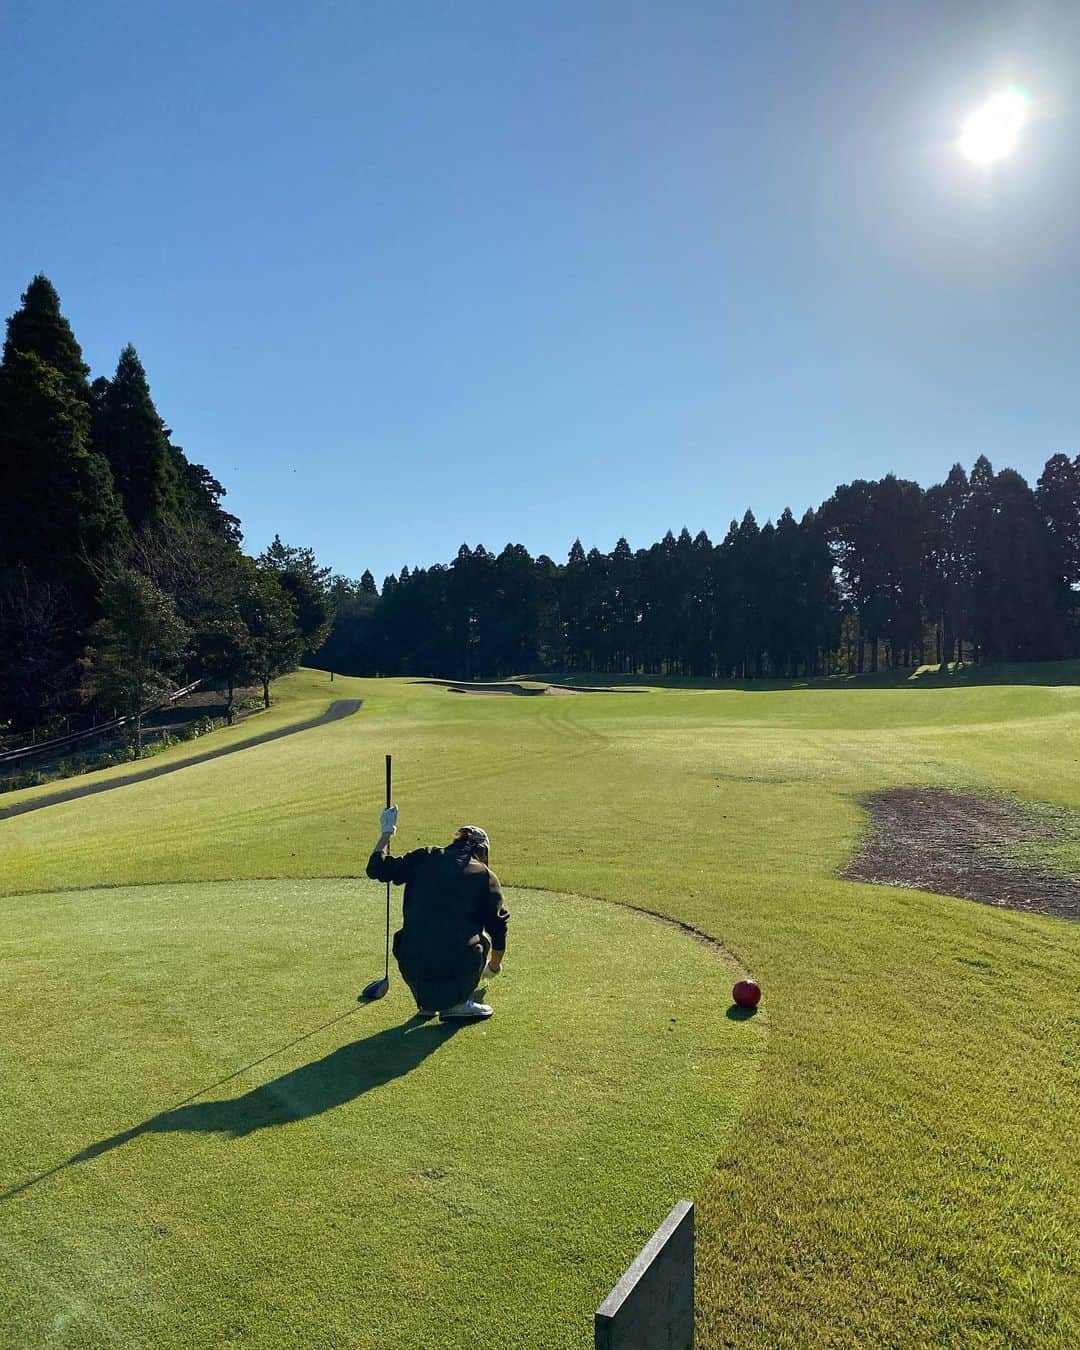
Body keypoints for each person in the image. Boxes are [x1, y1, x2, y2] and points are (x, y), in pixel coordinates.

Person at [366, 809, 509, 1021]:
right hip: (455, 964)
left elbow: (376, 868)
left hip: (411, 963)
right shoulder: (483, 875)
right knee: (483, 940)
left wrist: (387, 832)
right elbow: (498, 929)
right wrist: (494, 967)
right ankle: (457, 1004)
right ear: (480, 850)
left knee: (421, 941)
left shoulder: (424, 856)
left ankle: (427, 1004)